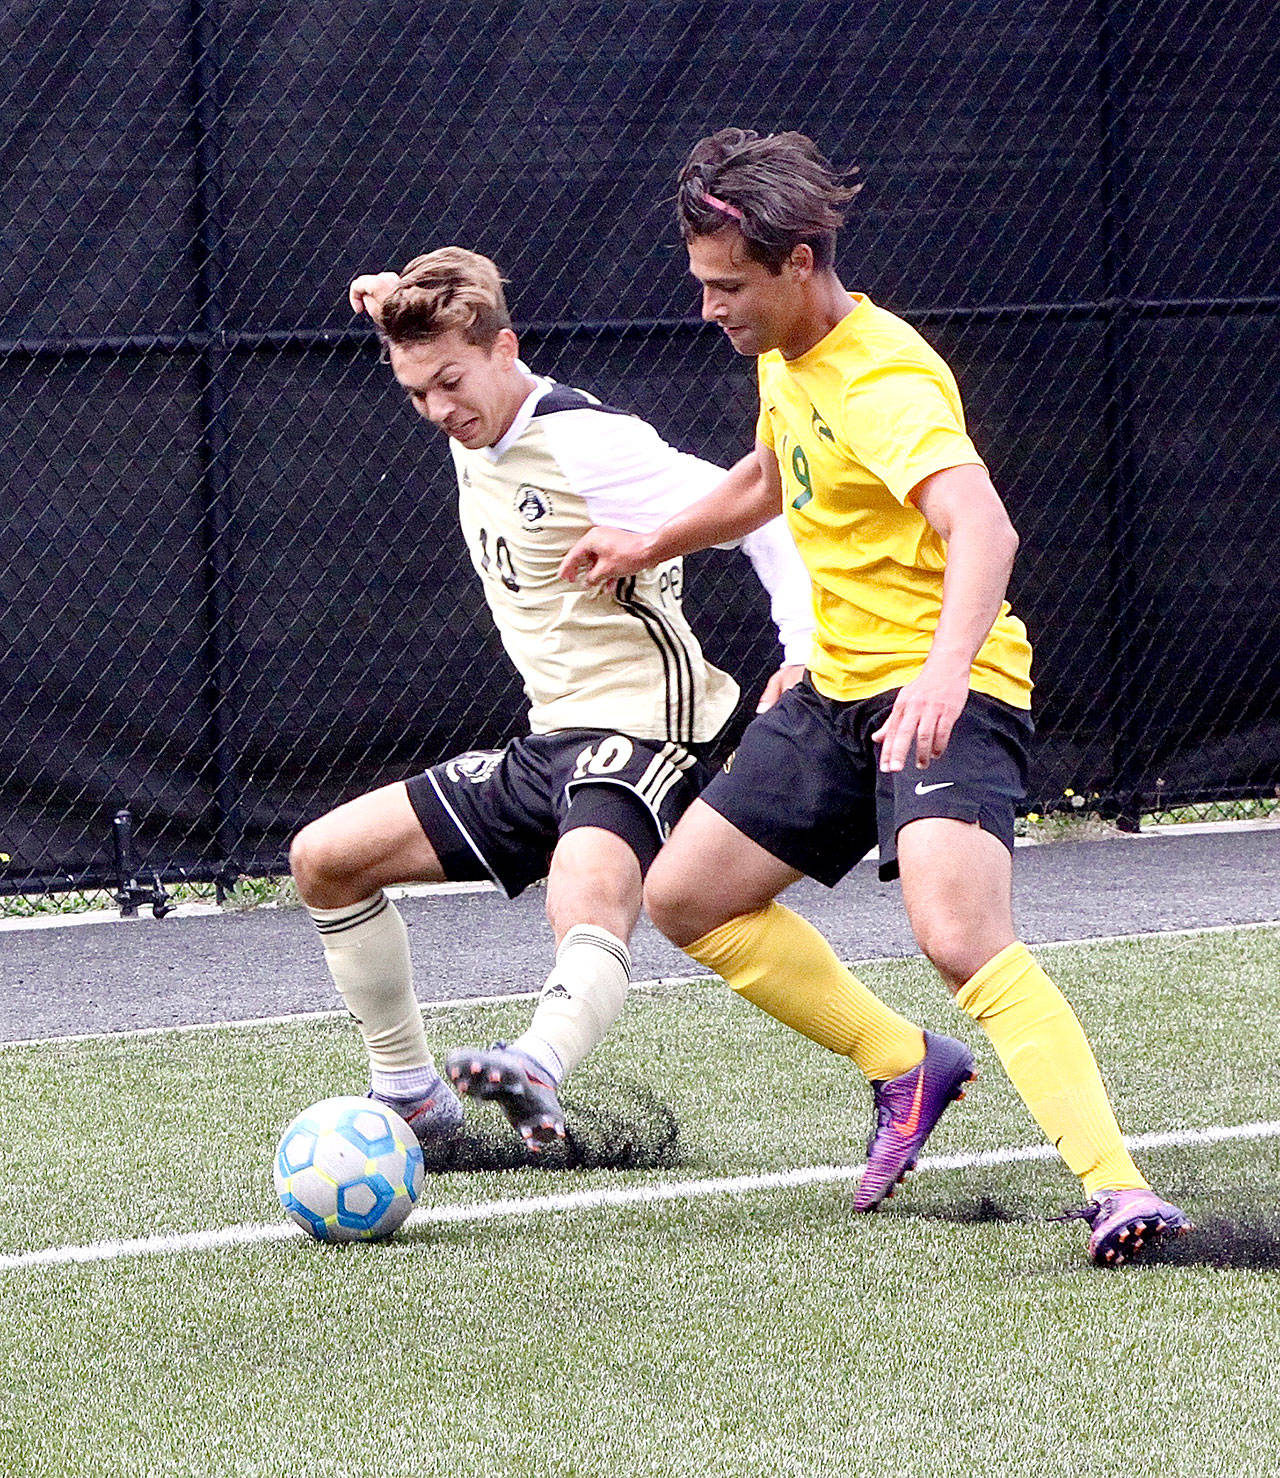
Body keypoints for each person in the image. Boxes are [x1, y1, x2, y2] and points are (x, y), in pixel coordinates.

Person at [560, 128, 1190, 1265]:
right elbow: (764, 477)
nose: (708, 308)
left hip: (946, 684)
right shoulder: (784, 355)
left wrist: (942, 674)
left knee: (956, 934)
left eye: (726, 286)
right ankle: (904, 1062)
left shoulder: (883, 377)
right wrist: (648, 538)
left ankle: (1117, 1186)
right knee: (688, 897)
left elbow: (982, 527)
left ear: (798, 262)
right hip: (838, 686)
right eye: (701, 284)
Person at [288, 246, 813, 1157]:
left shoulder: (589, 443)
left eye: (451, 382)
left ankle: (535, 1062)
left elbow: (763, 511)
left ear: (506, 349)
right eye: (416, 394)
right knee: (324, 860)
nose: (438, 410)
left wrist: (803, 652)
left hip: (654, 730)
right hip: (553, 738)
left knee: (583, 894)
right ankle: (413, 1099)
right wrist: (383, 300)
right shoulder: (461, 395)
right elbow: (421, 313)